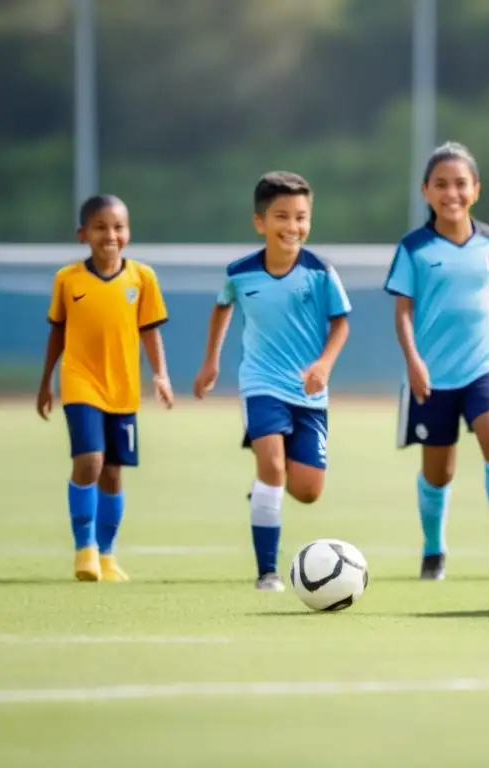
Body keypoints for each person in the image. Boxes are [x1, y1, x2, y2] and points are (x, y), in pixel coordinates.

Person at [384, 141, 489, 581]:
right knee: (439, 471)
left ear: (475, 189)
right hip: (432, 376)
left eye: (460, 184)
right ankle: (434, 550)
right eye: (441, 184)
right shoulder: (414, 247)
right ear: (425, 191)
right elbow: (402, 312)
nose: (451, 193)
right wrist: (414, 361)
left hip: (484, 365)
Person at [193, 171, 352, 592]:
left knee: (307, 490)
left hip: (310, 393)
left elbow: (341, 325)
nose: (293, 226)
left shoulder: (321, 272)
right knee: (273, 469)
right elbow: (222, 308)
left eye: (301, 217)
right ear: (260, 222)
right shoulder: (240, 273)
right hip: (261, 384)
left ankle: (264, 485)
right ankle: (268, 572)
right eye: (282, 216)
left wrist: (324, 365)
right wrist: (211, 362)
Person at [36, 194, 173, 582]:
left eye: (118, 227)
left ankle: (108, 555)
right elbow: (57, 332)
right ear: (83, 235)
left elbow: (149, 331)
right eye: (100, 227)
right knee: (90, 461)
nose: (110, 235)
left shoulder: (142, 278)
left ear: (127, 232)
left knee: (113, 474)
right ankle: (85, 550)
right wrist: (46, 381)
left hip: (123, 387)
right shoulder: (68, 279)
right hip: (80, 381)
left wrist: (160, 375)